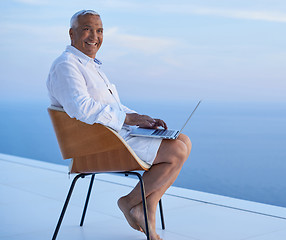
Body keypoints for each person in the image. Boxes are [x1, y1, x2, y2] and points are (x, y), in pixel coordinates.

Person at [47, 10, 191, 240]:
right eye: (87, 29)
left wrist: (142, 118)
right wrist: (129, 120)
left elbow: (114, 106)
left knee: (183, 140)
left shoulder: (90, 65)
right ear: (72, 34)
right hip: (95, 145)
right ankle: (131, 202)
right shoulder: (66, 65)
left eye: (99, 30)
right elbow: (80, 108)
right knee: (176, 151)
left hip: (112, 135)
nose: (94, 36)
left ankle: (149, 202)